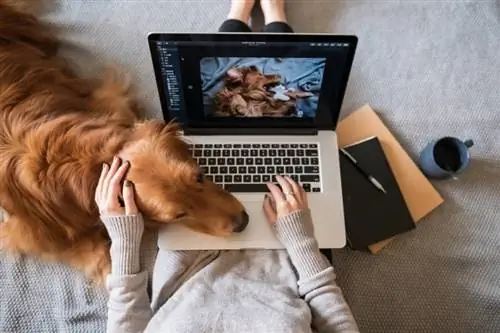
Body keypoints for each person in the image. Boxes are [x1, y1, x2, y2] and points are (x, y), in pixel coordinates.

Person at [98, 1, 359, 332]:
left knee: (215, 111)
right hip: (288, 264)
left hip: (190, 267)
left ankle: (238, 14)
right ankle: (275, 16)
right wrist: (300, 241)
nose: (237, 220)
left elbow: (126, 323)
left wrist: (123, 241)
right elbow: (335, 319)